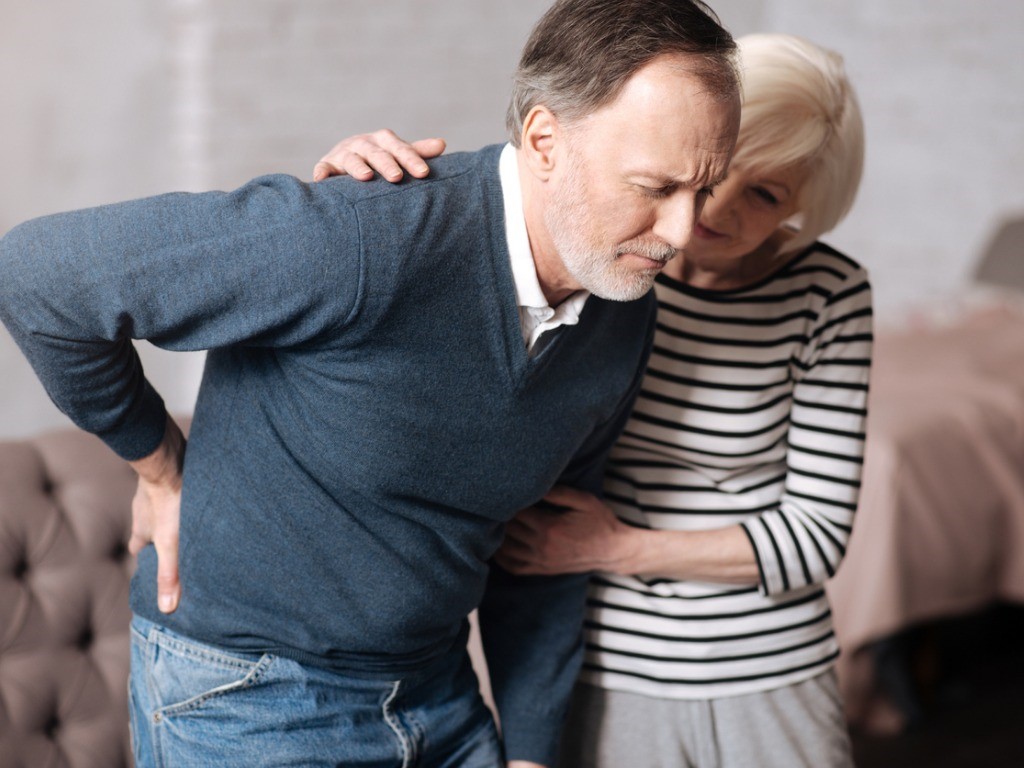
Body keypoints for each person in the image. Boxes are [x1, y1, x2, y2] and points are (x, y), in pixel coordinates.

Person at [0, 2, 741, 766]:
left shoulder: (621, 305)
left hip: (440, 695)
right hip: (250, 697)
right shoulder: (362, 236)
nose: (683, 233)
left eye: (705, 189)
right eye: (656, 186)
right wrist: (155, 463)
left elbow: (545, 543)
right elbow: (39, 277)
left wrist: (530, 748)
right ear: (546, 141)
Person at [312, 32, 870, 768]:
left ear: (807, 206)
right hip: (605, 665)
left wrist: (617, 547)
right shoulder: (605, 262)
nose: (714, 209)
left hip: (769, 672)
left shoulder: (827, 292)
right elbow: (478, 247)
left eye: (766, 193)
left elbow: (818, 536)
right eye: (716, 172)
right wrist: (346, 195)